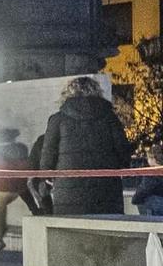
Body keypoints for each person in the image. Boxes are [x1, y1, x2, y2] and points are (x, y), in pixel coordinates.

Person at [38, 77, 134, 216]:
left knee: (72, 232)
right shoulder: (110, 117)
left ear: (68, 93)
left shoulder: (58, 119)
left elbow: (48, 154)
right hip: (106, 190)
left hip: (68, 191)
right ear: (96, 92)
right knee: (106, 232)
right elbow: (123, 151)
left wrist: (46, 177)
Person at [0, 128, 41, 254]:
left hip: (3, 185)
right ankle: (39, 215)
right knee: (30, 202)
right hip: (21, 183)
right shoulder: (21, 148)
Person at [134, 144, 163, 218]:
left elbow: (144, 189)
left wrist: (135, 199)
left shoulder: (151, 173)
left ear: (153, 158)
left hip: (156, 207)